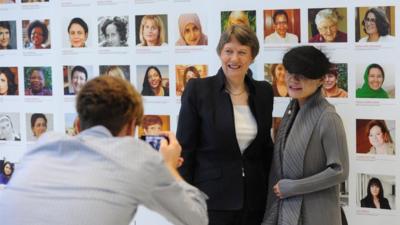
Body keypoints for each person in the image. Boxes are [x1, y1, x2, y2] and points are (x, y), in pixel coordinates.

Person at [0, 76, 208, 225]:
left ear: (79, 126)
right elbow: (196, 219)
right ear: (129, 127)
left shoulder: (42, 145)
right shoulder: (136, 156)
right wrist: (169, 167)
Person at [177, 25, 274, 225]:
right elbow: (185, 149)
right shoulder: (199, 90)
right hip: (211, 200)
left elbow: (265, 148)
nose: (234, 59)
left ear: (252, 57)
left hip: (254, 201)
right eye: (228, 51)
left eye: (242, 52)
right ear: (220, 53)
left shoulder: (264, 92)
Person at [262, 46, 349, 225]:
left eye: (303, 74)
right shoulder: (291, 111)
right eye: (290, 72)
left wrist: (293, 187)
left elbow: (339, 171)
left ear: (320, 80)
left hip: (317, 213)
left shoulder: (328, 118)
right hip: (288, 209)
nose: (294, 80)